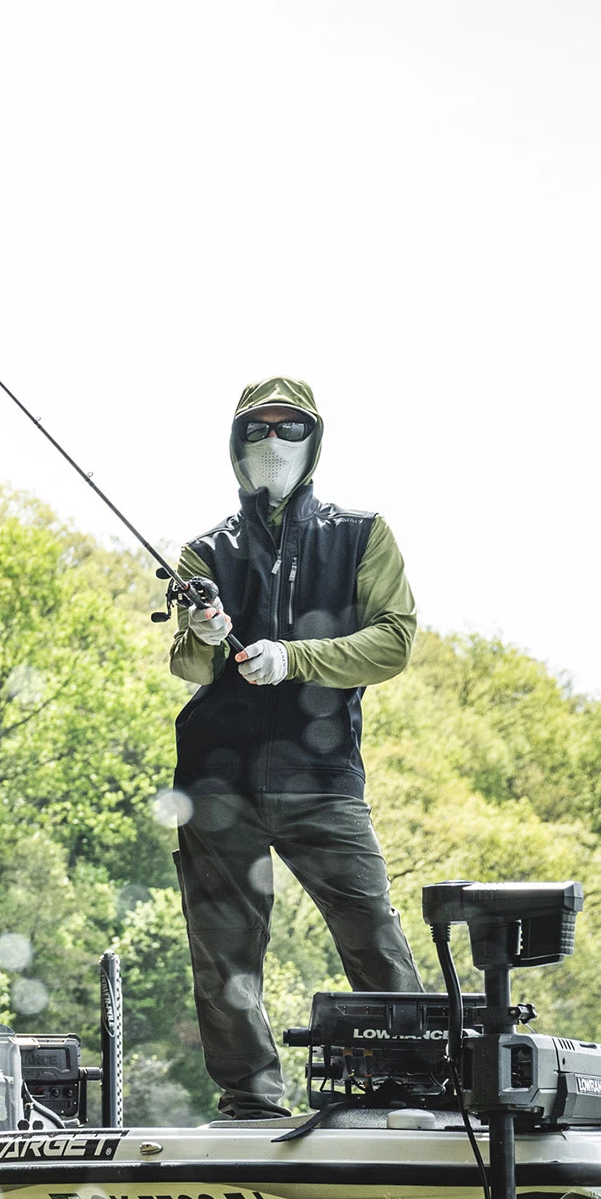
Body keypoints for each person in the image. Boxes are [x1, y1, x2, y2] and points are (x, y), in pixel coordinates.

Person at [167, 378, 424, 1120]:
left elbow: (394, 639)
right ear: (236, 443)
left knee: (372, 932)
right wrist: (206, 634)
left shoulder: (362, 533)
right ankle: (249, 1100)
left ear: (314, 440)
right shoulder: (203, 549)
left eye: (288, 428)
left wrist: (295, 657)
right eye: (257, 430)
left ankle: (408, 1084)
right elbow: (185, 668)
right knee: (223, 953)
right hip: (214, 783)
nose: (271, 443)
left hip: (322, 778)